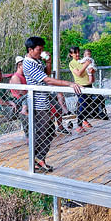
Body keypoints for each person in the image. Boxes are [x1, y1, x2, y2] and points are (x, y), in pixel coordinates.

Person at [22, 36, 82, 173]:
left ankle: (39, 159)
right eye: (39, 49)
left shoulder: (36, 60)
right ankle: (36, 159)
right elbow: (47, 80)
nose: (41, 51)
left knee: (48, 131)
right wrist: (70, 83)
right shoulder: (28, 63)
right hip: (37, 103)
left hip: (44, 101)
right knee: (44, 131)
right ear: (30, 50)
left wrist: (48, 62)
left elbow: (46, 73)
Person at [69, 46, 94, 132]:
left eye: (78, 52)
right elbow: (78, 73)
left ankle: (85, 120)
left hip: (89, 85)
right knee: (82, 104)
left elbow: (89, 71)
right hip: (80, 87)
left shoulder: (83, 61)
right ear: (71, 54)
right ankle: (79, 125)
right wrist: (86, 64)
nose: (77, 54)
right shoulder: (72, 63)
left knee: (88, 104)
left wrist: (91, 72)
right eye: (75, 53)